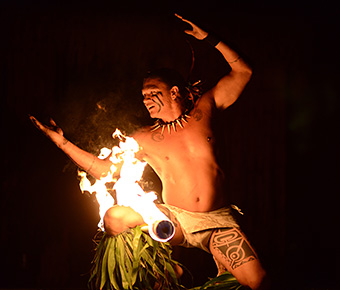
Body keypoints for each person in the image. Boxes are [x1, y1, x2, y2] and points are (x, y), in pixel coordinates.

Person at [30, 14, 269, 290]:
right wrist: (61, 142)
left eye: (153, 92)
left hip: (215, 223)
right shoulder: (144, 137)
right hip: (172, 220)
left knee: (258, 281)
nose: (147, 100)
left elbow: (243, 72)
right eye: (143, 95)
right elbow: (104, 170)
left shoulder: (205, 111)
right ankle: (165, 273)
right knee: (115, 218)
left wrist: (209, 39)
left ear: (175, 92)